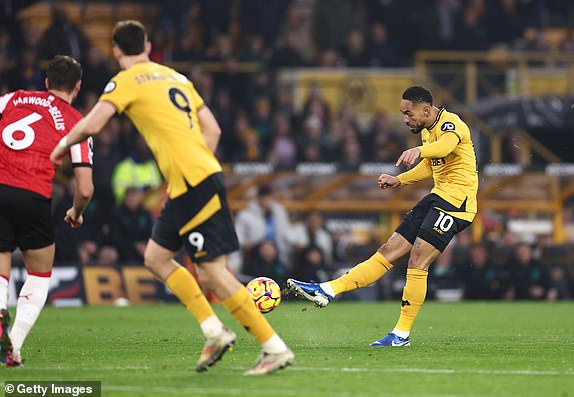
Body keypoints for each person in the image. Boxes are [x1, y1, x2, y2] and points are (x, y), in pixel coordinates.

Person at [49, 20, 294, 375]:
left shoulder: (126, 80)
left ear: (116, 51)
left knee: (212, 272)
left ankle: (273, 347)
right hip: (191, 181)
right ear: (147, 45)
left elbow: (91, 125)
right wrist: (195, 165)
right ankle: (213, 330)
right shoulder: (177, 77)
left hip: (193, 183)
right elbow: (214, 129)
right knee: (156, 257)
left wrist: (59, 147)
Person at [288, 85, 478, 347]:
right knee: (388, 250)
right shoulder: (428, 131)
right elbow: (429, 167)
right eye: (403, 114)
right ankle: (328, 290)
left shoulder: (451, 125)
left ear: (425, 109)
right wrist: (398, 180)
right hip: (438, 196)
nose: (405, 119)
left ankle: (401, 335)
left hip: (458, 202)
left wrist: (419, 151)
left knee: (417, 260)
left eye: (408, 114)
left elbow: (445, 148)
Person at [0, 56, 94, 366]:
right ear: (77, 86)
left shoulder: (12, 98)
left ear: (46, 82)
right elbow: (84, 189)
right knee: (39, 274)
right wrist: (77, 212)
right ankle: (13, 345)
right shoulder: (78, 123)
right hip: (34, 195)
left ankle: (0, 317)